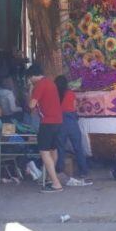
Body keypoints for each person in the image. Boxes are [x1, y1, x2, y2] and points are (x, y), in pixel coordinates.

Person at [27, 64, 64, 192]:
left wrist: (30, 90)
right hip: (58, 121)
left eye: (29, 78)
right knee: (53, 150)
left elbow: (31, 105)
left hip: (47, 122)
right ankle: (50, 177)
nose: (29, 81)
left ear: (32, 76)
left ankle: (56, 183)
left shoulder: (40, 85)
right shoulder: (50, 83)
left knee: (44, 152)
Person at [54, 75, 92, 185]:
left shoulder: (54, 95)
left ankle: (60, 171)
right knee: (78, 148)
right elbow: (74, 107)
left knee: (60, 149)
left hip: (60, 123)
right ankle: (83, 172)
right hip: (71, 122)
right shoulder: (70, 93)